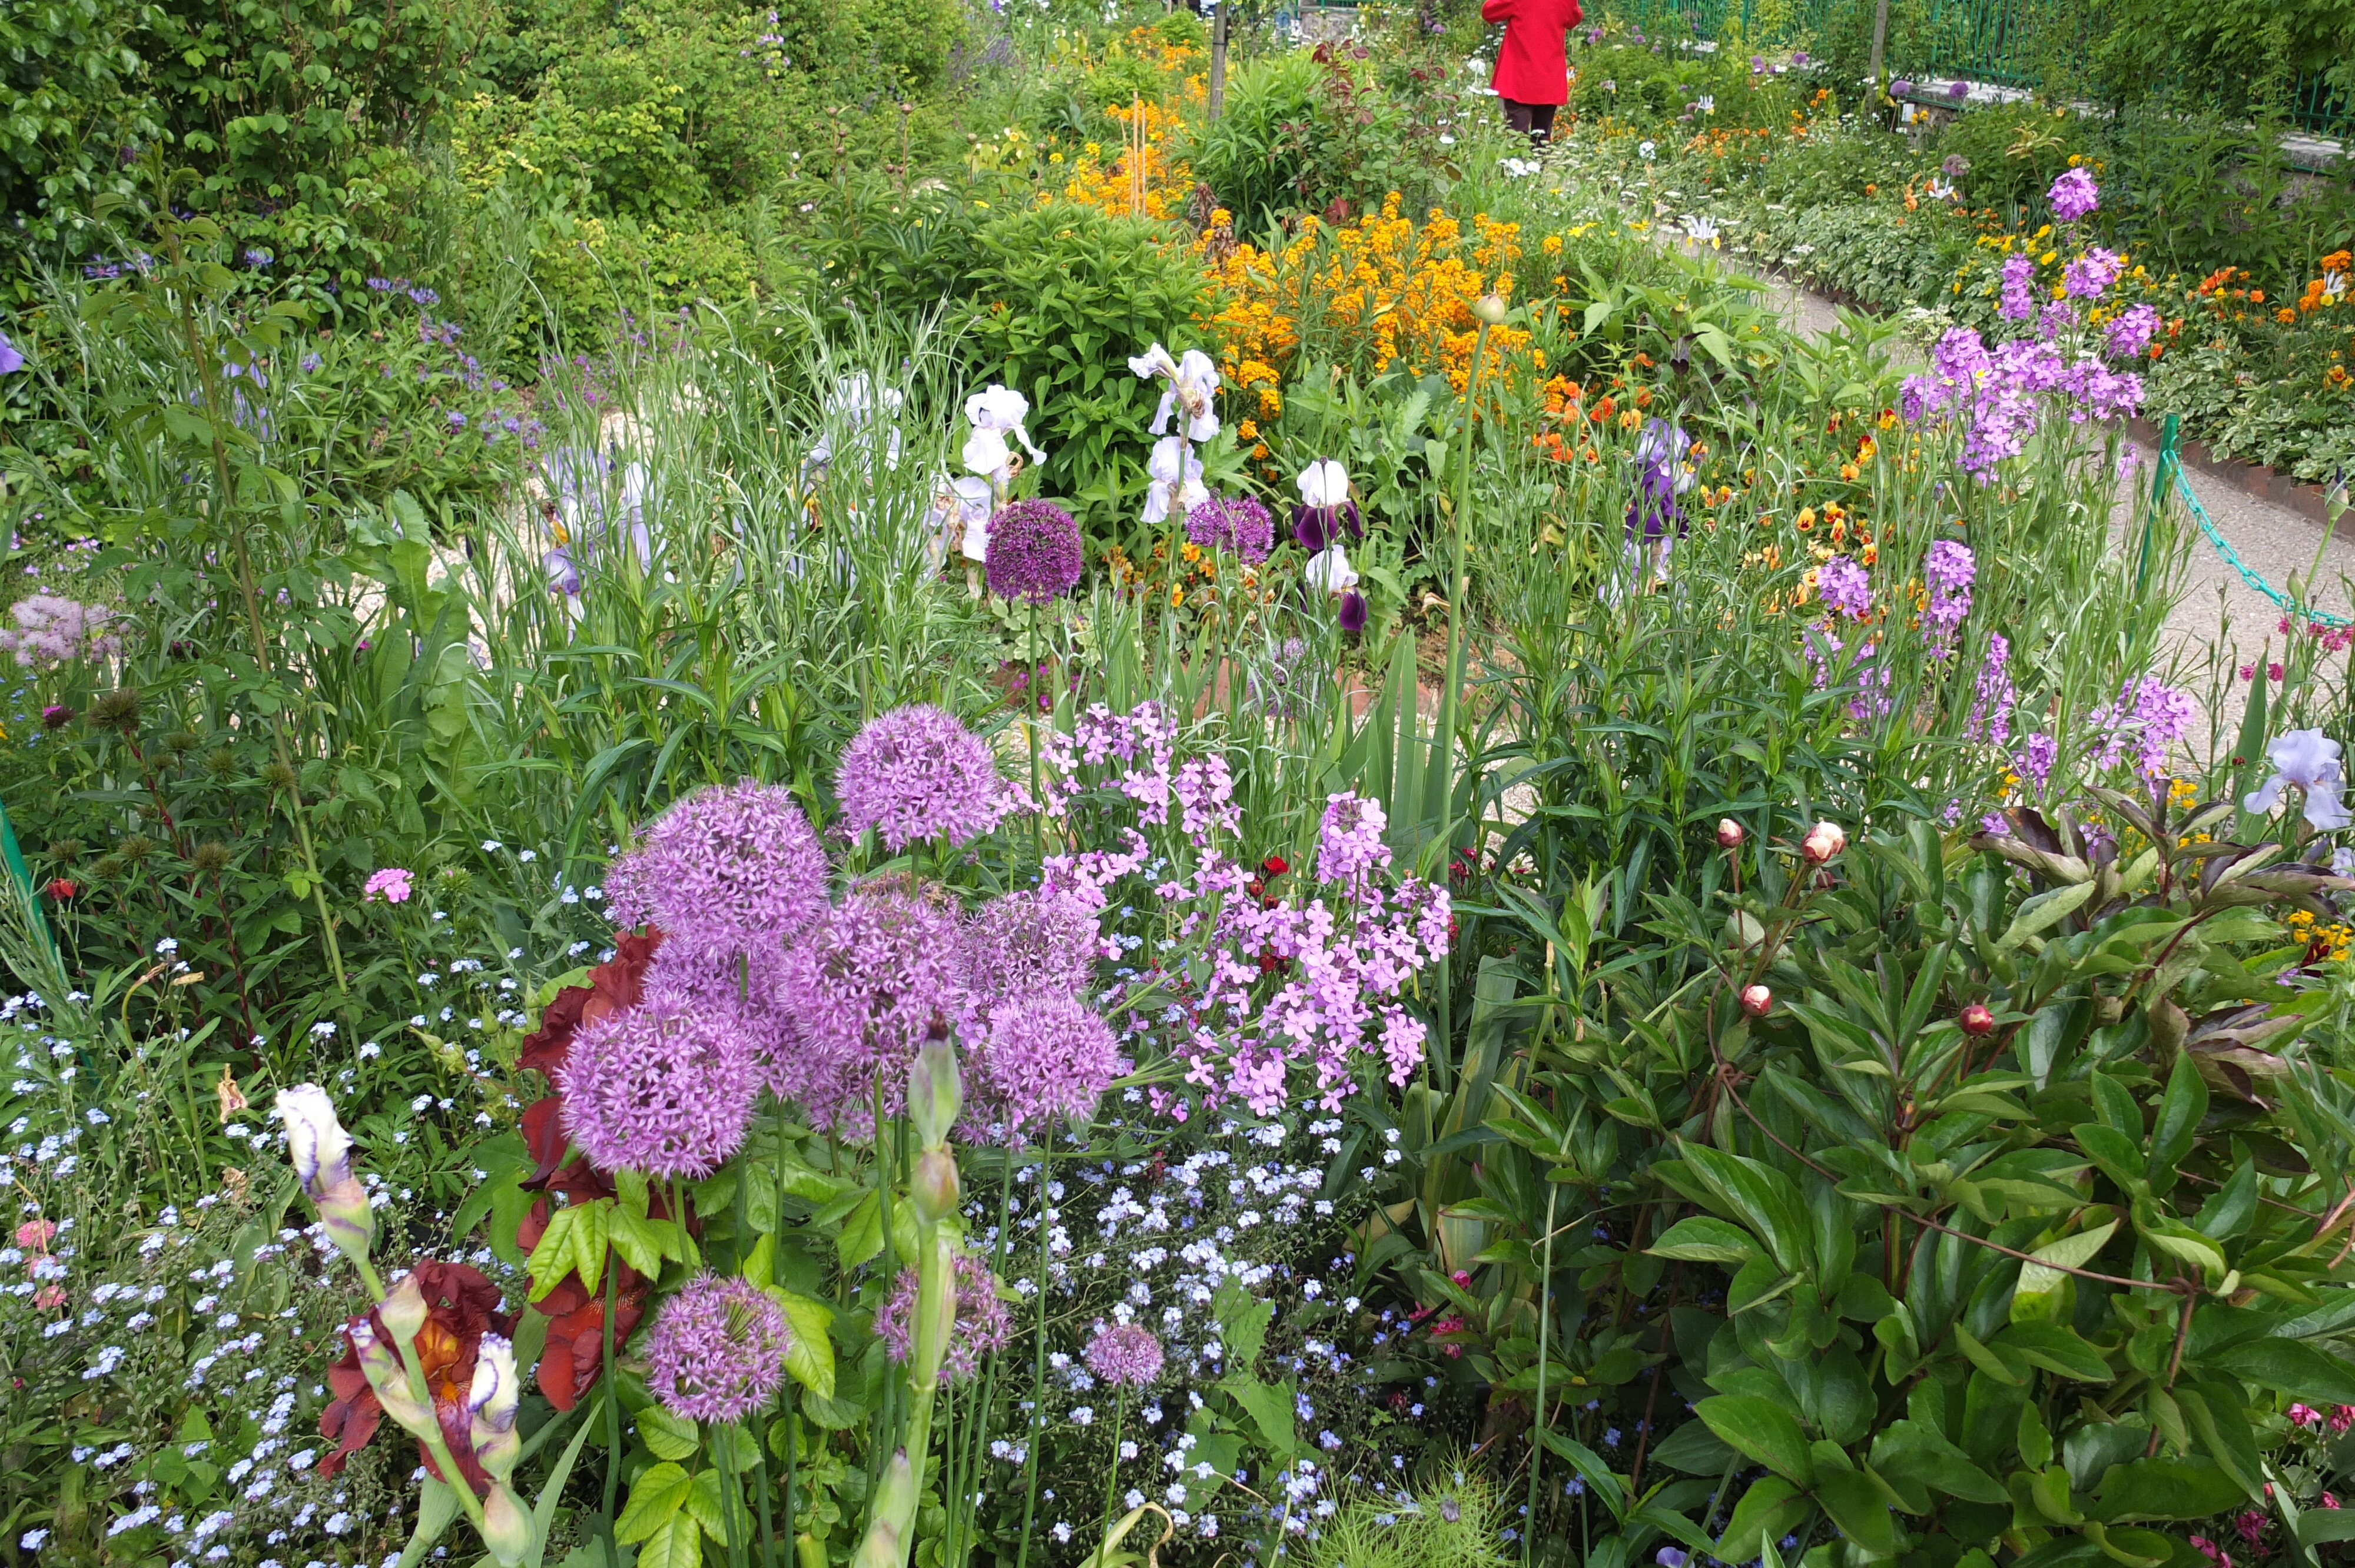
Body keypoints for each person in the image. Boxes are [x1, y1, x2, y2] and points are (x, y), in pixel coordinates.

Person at [1482, 0, 1583, 146]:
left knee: (1517, 137)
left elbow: (1489, 12)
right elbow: (1574, 18)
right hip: (1548, 79)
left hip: (1519, 79)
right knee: (1542, 138)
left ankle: (1516, 167)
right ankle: (1539, 168)